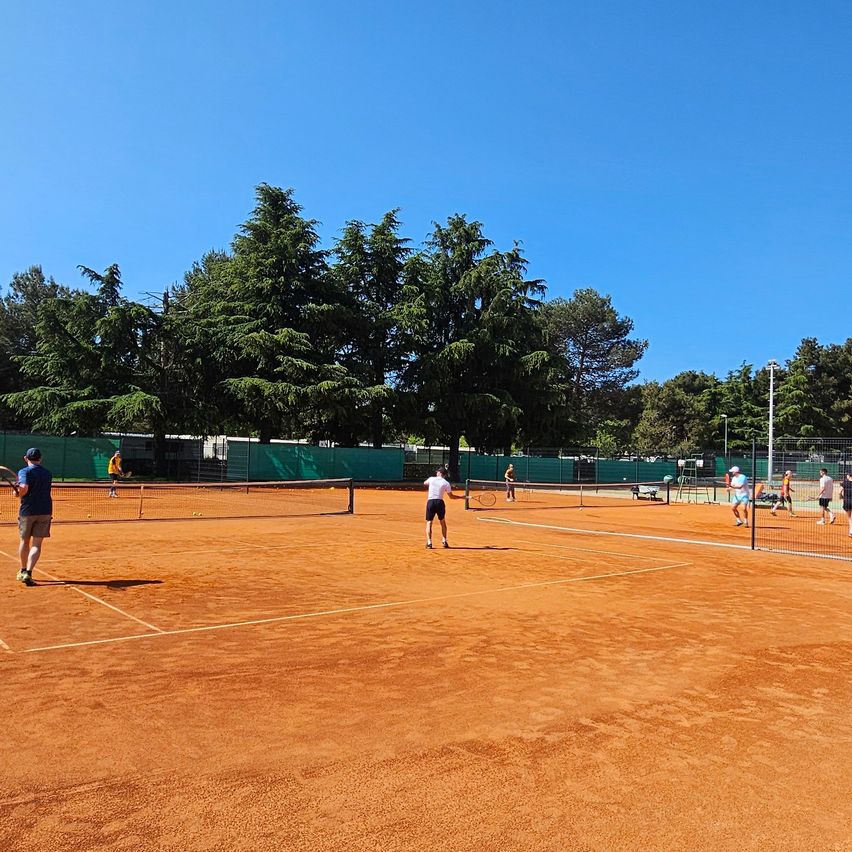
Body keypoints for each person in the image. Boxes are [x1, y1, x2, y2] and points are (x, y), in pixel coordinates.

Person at [16, 447, 53, 587]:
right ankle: (29, 573)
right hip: (45, 511)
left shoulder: (24, 471)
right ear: (40, 459)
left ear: (26, 458)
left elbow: (24, 487)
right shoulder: (47, 473)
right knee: (37, 544)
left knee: (24, 541)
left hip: (28, 511)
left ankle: (23, 570)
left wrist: (19, 493)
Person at [423, 466, 458, 549]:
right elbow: (451, 496)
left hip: (431, 502)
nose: (436, 472)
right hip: (440, 502)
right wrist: (461, 497)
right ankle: (444, 541)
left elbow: (425, 483)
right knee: (442, 522)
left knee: (429, 522)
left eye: (437, 472)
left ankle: (429, 543)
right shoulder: (446, 483)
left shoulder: (431, 479)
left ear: (440, 473)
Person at [841, 472, 852, 538]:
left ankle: (851, 531)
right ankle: (851, 530)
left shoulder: (845, 482)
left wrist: (842, 497)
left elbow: (840, 492)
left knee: (849, 517)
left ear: (849, 476)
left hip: (847, 501)